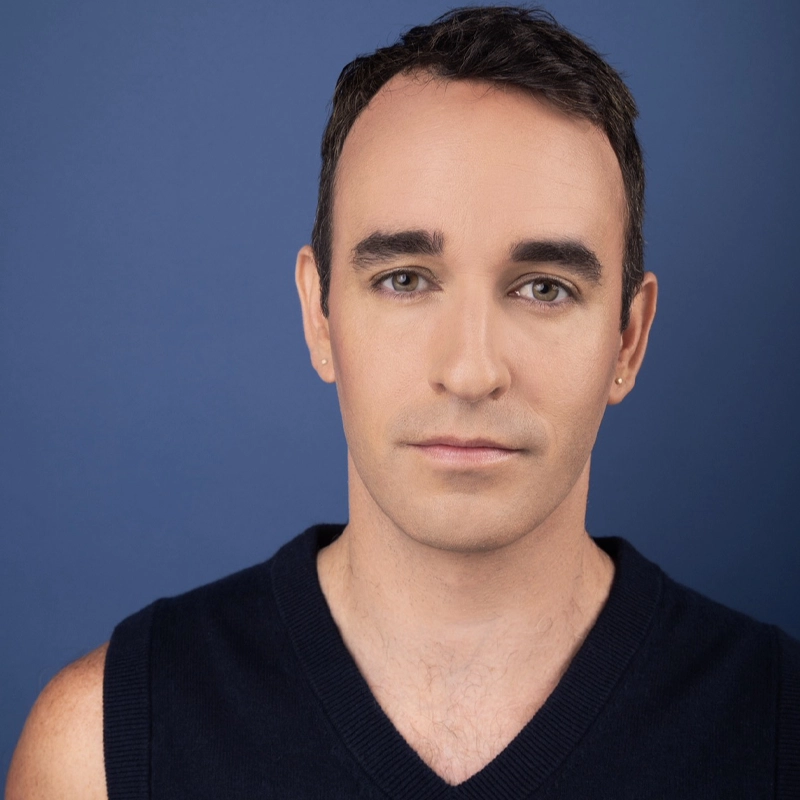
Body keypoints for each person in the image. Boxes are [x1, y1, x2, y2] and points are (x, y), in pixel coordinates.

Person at [7, 6, 798, 799]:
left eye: (545, 288)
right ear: (320, 317)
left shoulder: (778, 730)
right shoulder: (103, 748)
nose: (471, 370)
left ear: (628, 339)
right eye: (405, 279)